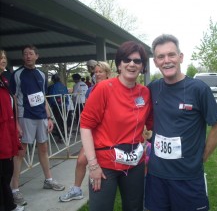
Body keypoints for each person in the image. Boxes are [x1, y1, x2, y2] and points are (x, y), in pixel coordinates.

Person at [145, 34, 217, 211]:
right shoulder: (153, 89)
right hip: (156, 175)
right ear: (156, 62)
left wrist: (202, 157)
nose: (167, 61)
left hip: (187, 176)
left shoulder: (198, 89)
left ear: (180, 57)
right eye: (161, 57)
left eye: (171, 55)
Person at [80, 41, 152, 211]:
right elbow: (85, 126)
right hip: (105, 165)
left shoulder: (145, 92)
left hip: (135, 162)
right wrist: (93, 165)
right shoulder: (103, 88)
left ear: (142, 66)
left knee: (134, 207)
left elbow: (151, 124)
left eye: (137, 60)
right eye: (127, 60)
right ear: (119, 64)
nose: (132, 64)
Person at [10, 45, 65, 207]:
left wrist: (49, 117)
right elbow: (13, 98)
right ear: (22, 57)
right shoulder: (17, 74)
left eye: (31, 54)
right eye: (25, 54)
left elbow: (43, 96)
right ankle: (14, 189)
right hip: (24, 116)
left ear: (37, 56)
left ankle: (48, 180)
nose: (28, 56)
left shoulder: (41, 73)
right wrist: (16, 123)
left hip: (41, 116)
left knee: (43, 149)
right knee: (21, 152)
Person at [59, 61, 111, 202]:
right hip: (92, 133)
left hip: (107, 134)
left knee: (102, 163)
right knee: (81, 161)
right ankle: (77, 189)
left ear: (107, 73)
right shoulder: (91, 89)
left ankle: (105, 188)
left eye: (101, 71)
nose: (98, 74)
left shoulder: (112, 88)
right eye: (96, 72)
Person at [0, 50, 24, 211]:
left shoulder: (4, 80)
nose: (3, 60)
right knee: (3, 171)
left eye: (3, 58)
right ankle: (8, 205)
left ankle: (8, 204)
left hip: (7, 131)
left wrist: (16, 125)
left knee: (6, 170)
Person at [47, 74, 69, 143]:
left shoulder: (52, 87)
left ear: (53, 80)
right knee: (64, 120)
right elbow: (67, 96)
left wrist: (50, 105)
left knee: (58, 121)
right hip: (64, 105)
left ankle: (60, 137)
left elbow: (50, 97)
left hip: (56, 106)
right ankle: (65, 135)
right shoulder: (63, 86)